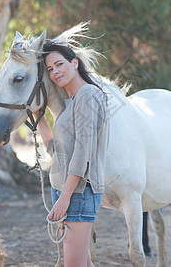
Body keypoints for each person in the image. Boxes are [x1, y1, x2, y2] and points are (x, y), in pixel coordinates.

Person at [35, 40, 109, 267]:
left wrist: (64, 199)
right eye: (50, 69)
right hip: (66, 191)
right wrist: (40, 119)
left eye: (59, 64)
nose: (55, 71)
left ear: (75, 63)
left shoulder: (87, 95)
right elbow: (57, 152)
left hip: (77, 193)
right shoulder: (72, 102)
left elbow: (82, 154)